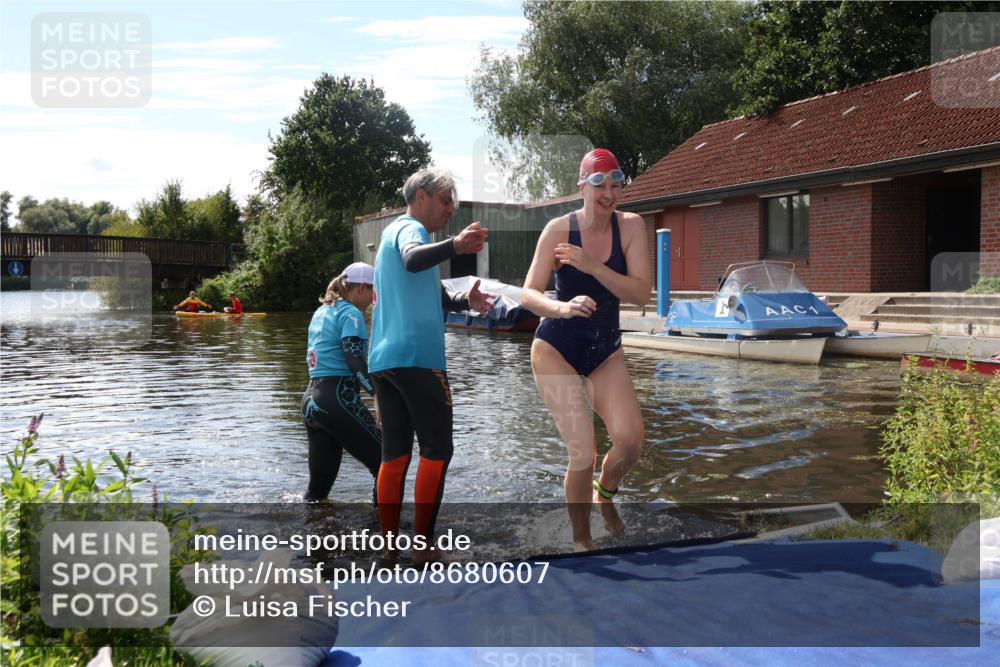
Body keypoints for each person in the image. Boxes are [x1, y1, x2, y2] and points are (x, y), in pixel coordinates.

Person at [520, 148, 652, 551]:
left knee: (630, 440)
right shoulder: (558, 230)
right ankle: (582, 541)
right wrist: (562, 306)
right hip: (556, 348)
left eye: (615, 185)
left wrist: (593, 267)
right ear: (583, 187)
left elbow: (642, 294)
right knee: (583, 451)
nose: (608, 194)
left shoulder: (630, 227)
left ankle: (605, 493)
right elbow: (528, 295)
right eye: (599, 186)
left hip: (604, 351)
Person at [368, 167, 492, 564]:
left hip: (385, 361)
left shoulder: (390, 233)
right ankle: (422, 546)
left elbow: (429, 289)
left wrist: (463, 302)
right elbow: (412, 259)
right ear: (420, 196)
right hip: (419, 359)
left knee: (396, 454)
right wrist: (455, 245)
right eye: (445, 200)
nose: (451, 208)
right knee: (438, 450)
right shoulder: (410, 231)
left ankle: (389, 547)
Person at [301, 262, 381, 503]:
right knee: (387, 461)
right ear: (361, 289)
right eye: (372, 292)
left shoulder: (322, 311)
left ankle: (313, 533)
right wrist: (377, 394)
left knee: (317, 493)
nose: (372, 301)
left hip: (311, 402)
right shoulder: (350, 313)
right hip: (337, 399)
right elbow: (354, 360)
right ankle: (385, 529)